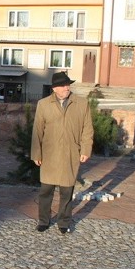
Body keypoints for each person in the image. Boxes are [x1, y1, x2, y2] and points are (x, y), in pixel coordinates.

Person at [31, 72, 94, 234]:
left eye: (68, 84)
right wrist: (36, 153)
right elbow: (37, 131)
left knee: (67, 191)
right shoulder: (43, 104)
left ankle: (63, 223)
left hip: (70, 153)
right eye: (64, 85)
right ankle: (43, 220)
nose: (67, 87)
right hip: (49, 154)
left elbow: (87, 129)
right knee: (46, 191)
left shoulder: (81, 103)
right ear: (54, 88)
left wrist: (86, 149)